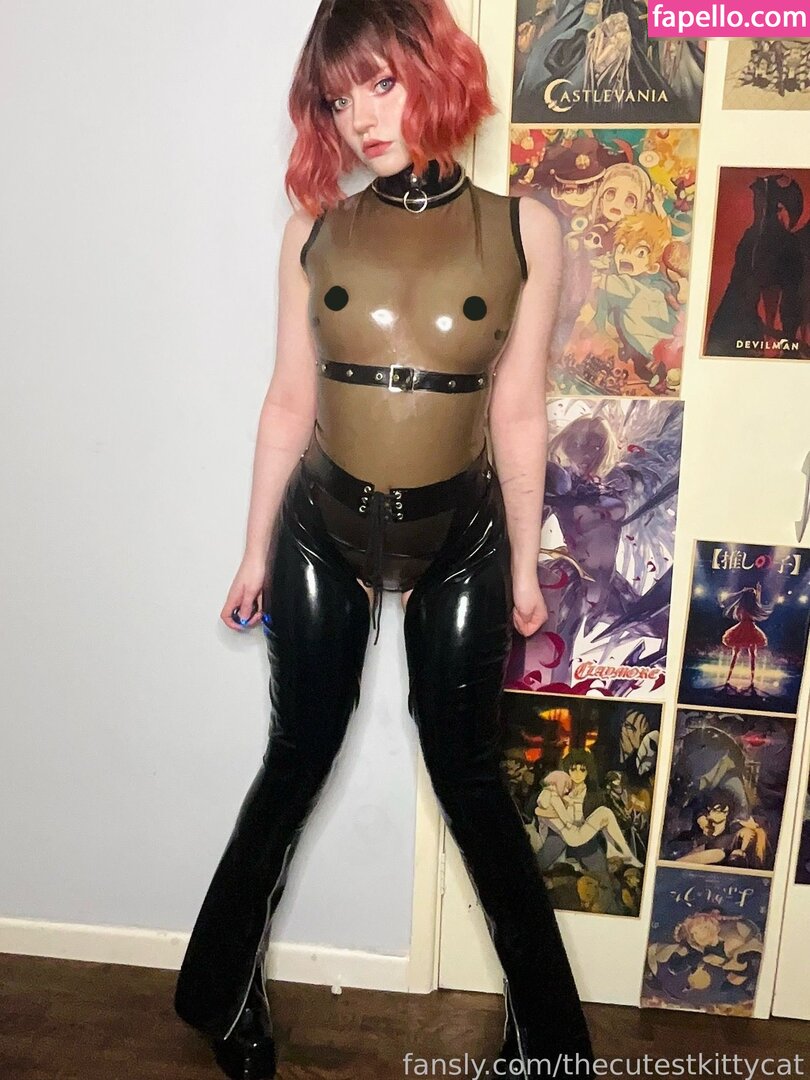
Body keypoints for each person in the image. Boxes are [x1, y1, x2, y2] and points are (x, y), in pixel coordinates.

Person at [173, 2, 595, 1077]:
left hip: (462, 532)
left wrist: (527, 563)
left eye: (381, 83)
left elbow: (517, 410)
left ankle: (549, 1043)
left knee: (469, 778)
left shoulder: (523, 229)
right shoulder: (313, 231)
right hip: (323, 527)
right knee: (296, 759)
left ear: (432, 71)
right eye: (337, 97)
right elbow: (287, 401)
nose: (360, 118)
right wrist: (255, 552)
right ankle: (221, 995)